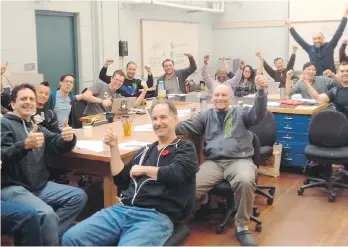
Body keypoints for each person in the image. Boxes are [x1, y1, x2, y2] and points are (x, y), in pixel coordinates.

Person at [62, 100, 199, 246]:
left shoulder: (184, 147)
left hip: (155, 216)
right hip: (122, 210)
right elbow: (120, 178)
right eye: (154, 118)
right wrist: (113, 147)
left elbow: (177, 173)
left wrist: (144, 169)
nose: (158, 122)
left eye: (163, 117)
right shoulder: (145, 151)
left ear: (175, 120)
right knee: (71, 238)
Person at [176, 76, 268, 246]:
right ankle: (178, 219)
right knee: (190, 186)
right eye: (217, 95)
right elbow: (189, 126)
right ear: (212, 97)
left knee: (246, 180)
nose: (220, 98)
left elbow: (258, 114)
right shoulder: (206, 115)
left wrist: (261, 92)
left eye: (224, 95)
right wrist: (168, 124)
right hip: (214, 163)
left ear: (230, 98)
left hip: (239, 160)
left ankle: (242, 227)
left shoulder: (241, 113)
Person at [1, 83, 87, 245]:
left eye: (31, 99)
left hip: (38, 186)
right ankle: (49, 237)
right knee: (47, 214)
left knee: (78, 196)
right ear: (13, 104)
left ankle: (47, 236)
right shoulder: (5, 124)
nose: (28, 102)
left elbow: (56, 143)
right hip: (12, 187)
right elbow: (2, 155)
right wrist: (24, 145)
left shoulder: (36, 127)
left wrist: (68, 138)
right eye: (23, 99)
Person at [285, 7, 348, 75]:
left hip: (331, 79)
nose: (317, 40)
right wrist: (290, 25)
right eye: (314, 39)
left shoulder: (330, 46)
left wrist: (345, 14)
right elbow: (299, 39)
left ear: (323, 38)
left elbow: (339, 32)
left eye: (319, 38)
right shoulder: (309, 49)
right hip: (316, 80)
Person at [82, 70, 148, 115]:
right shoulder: (101, 85)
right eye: (116, 79)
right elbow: (85, 95)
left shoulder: (117, 97)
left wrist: (144, 91)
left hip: (103, 121)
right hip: (90, 119)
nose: (118, 82)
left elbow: (134, 104)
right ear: (111, 79)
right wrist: (102, 101)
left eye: (120, 81)